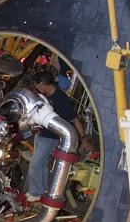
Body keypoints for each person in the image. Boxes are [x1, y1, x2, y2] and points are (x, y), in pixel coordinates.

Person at [25, 73, 90, 201]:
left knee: (36, 163)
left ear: (43, 85)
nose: (37, 89)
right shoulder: (44, 95)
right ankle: (41, 190)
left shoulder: (61, 99)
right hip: (41, 134)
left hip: (51, 138)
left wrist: (83, 138)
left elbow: (75, 119)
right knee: (41, 163)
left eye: (38, 86)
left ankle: (36, 192)